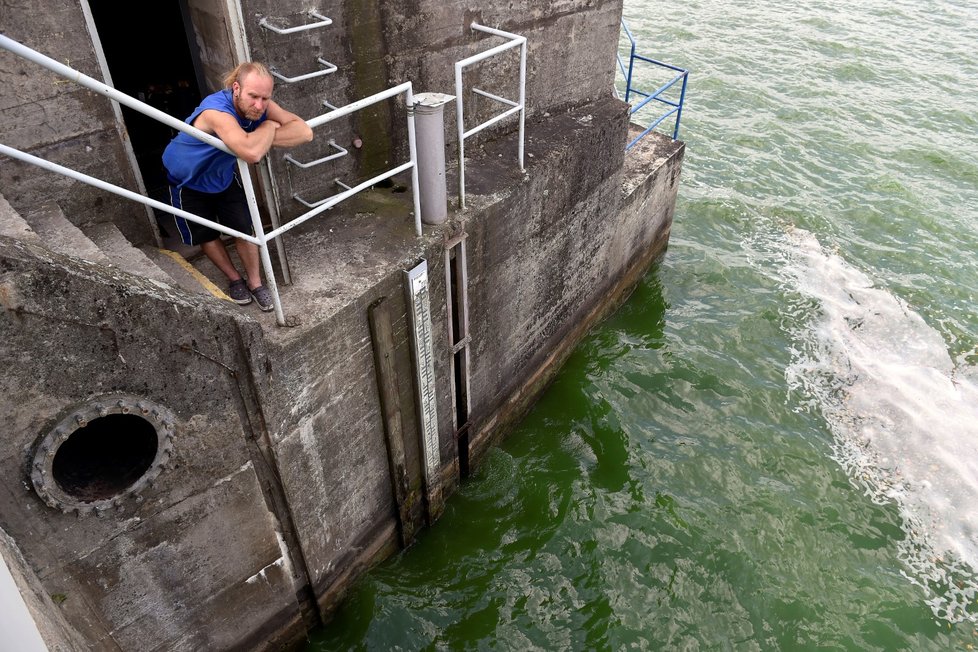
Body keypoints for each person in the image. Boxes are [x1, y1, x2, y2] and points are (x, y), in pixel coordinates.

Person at [162, 62, 313, 311]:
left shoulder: (261, 105)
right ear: (236, 89)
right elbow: (252, 152)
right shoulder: (216, 111)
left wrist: (259, 136)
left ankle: (256, 284)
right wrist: (267, 127)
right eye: (253, 96)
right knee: (206, 234)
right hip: (186, 180)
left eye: (265, 98)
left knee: (244, 227)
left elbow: (304, 132)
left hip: (222, 175)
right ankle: (235, 279)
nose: (259, 105)